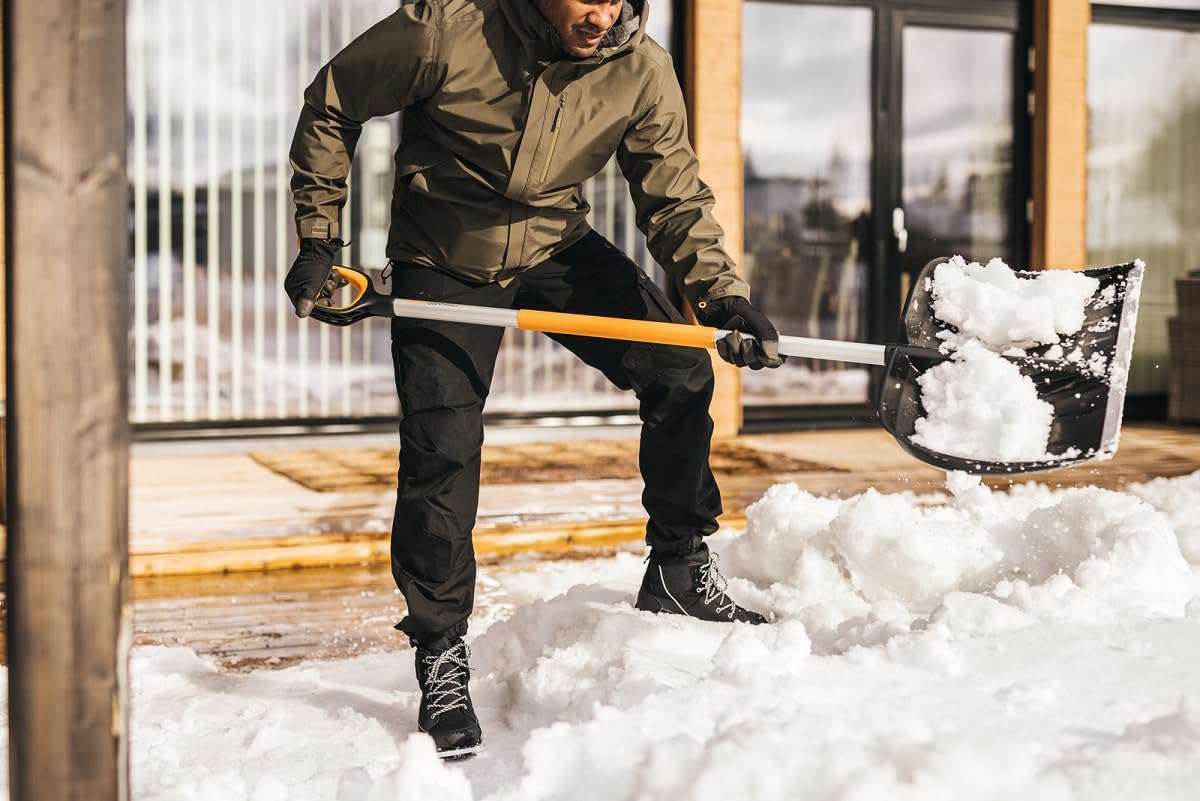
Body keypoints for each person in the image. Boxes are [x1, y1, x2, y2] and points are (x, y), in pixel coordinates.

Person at [285, 0, 784, 760]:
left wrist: (723, 297)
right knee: (443, 443)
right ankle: (441, 648)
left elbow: (674, 194)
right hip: (445, 253)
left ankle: (679, 565)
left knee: (679, 367)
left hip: (555, 244)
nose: (604, 12)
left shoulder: (638, 67)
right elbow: (333, 100)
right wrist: (321, 234)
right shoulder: (445, 27)